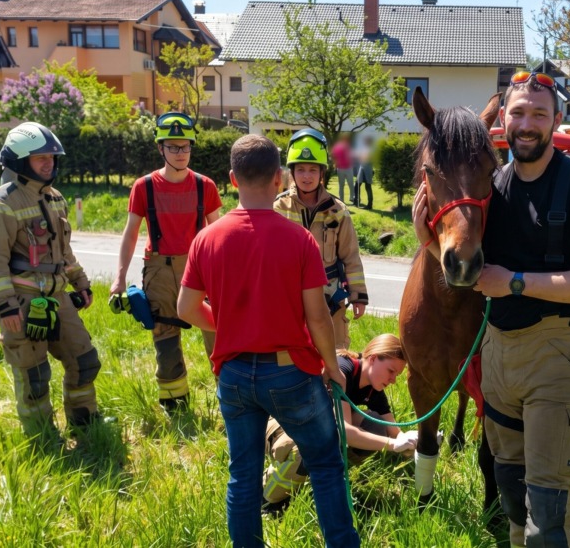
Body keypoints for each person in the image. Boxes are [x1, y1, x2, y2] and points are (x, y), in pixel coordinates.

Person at [413, 71, 570, 547]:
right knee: (508, 490)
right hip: (500, 358)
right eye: (518, 113)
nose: (527, 124)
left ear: (556, 120)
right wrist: (427, 241)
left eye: (539, 114)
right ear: (502, 119)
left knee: (548, 504)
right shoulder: (491, 185)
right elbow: (461, 244)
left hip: (555, 354)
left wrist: (515, 283)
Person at [177, 134, 359, 548]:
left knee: (242, 475)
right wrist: (333, 368)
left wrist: (225, 328)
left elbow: (186, 308)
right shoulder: (300, 240)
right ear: (280, 179)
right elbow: (317, 316)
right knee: (327, 465)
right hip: (291, 373)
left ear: (231, 179)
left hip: (235, 373)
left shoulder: (207, 238)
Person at [0, 122, 104, 441]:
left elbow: (63, 250)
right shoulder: (2, 203)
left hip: (57, 299)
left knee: (85, 360)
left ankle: (84, 423)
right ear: (20, 161)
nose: (48, 163)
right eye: (40, 158)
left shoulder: (55, 197)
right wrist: (6, 308)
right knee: (35, 377)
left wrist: (81, 282)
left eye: (51, 156)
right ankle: (42, 438)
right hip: (23, 303)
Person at [111, 112, 222, 413]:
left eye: (185, 146)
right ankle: (176, 406)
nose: (180, 152)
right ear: (160, 148)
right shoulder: (143, 187)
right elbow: (130, 233)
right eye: (173, 147)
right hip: (160, 271)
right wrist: (119, 278)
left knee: (219, 336)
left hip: (201, 270)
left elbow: (222, 234)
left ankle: (232, 403)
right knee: (166, 341)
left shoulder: (205, 186)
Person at [262, 333, 418, 513]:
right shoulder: (343, 371)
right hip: (283, 425)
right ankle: (268, 496)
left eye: (397, 375)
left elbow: (395, 433)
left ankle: (324, 478)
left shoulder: (373, 389)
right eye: (391, 371)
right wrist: (393, 445)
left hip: (312, 428)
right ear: (373, 359)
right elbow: (345, 431)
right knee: (311, 449)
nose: (393, 380)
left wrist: (417, 442)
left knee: (376, 426)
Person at [274, 128, 368, 350]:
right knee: (292, 359)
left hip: (330, 300)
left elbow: (350, 256)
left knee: (334, 357)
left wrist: (358, 295)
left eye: (313, 170)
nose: (307, 176)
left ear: (322, 173)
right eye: (301, 169)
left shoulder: (337, 211)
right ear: (292, 172)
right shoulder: (278, 207)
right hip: (289, 301)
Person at [331, 134, 355, 203]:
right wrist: (335, 162)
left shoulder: (347, 146)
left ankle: (351, 197)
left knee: (349, 184)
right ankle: (342, 200)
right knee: (343, 185)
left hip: (347, 167)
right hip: (342, 168)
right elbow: (333, 155)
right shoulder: (338, 147)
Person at [353, 135, 374, 210]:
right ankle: (356, 201)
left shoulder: (370, 149)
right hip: (362, 168)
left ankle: (370, 204)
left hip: (367, 169)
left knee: (368, 187)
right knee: (357, 185)